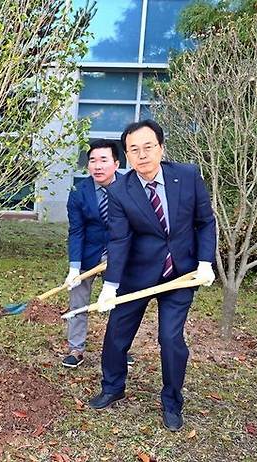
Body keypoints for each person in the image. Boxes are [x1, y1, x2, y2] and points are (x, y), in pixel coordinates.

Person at [88, 120, 216, 432]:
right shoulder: (120, 191)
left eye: (148, 147)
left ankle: (172, 401)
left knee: (171, 339)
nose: (142, 154)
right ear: (127, 156)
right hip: (137, 274)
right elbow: (119, 240)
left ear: (160, 147)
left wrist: (204, 262)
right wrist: (111, 286)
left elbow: (205, 221)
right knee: (117, 334)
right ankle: (113, 386)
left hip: (180, 275)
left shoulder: (187, 176)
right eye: (135, 149)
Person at [62, 139, 135, 368]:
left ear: (116, 163)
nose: (97, 166)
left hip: (121, 254)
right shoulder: (78, 192)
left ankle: (120, 349)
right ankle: (76, 348)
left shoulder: (131, 188)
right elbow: (76, 231)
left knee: (122, 303)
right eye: (93, 161)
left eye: (103, 160)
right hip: (89, 254)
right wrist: (74, 267)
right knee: (78, 302)